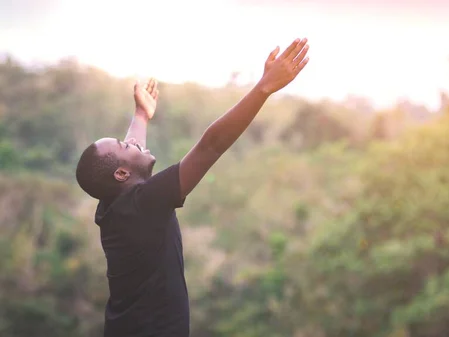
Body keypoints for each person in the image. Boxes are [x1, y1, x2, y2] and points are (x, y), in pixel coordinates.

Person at [75, 38, 310, 337]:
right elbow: (210, 146)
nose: (133, 140)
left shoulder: (111, 207)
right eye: (125, 145)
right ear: (121, 173)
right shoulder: (145, 203)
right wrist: (263, 88)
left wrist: (141, 115)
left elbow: (127, 160)